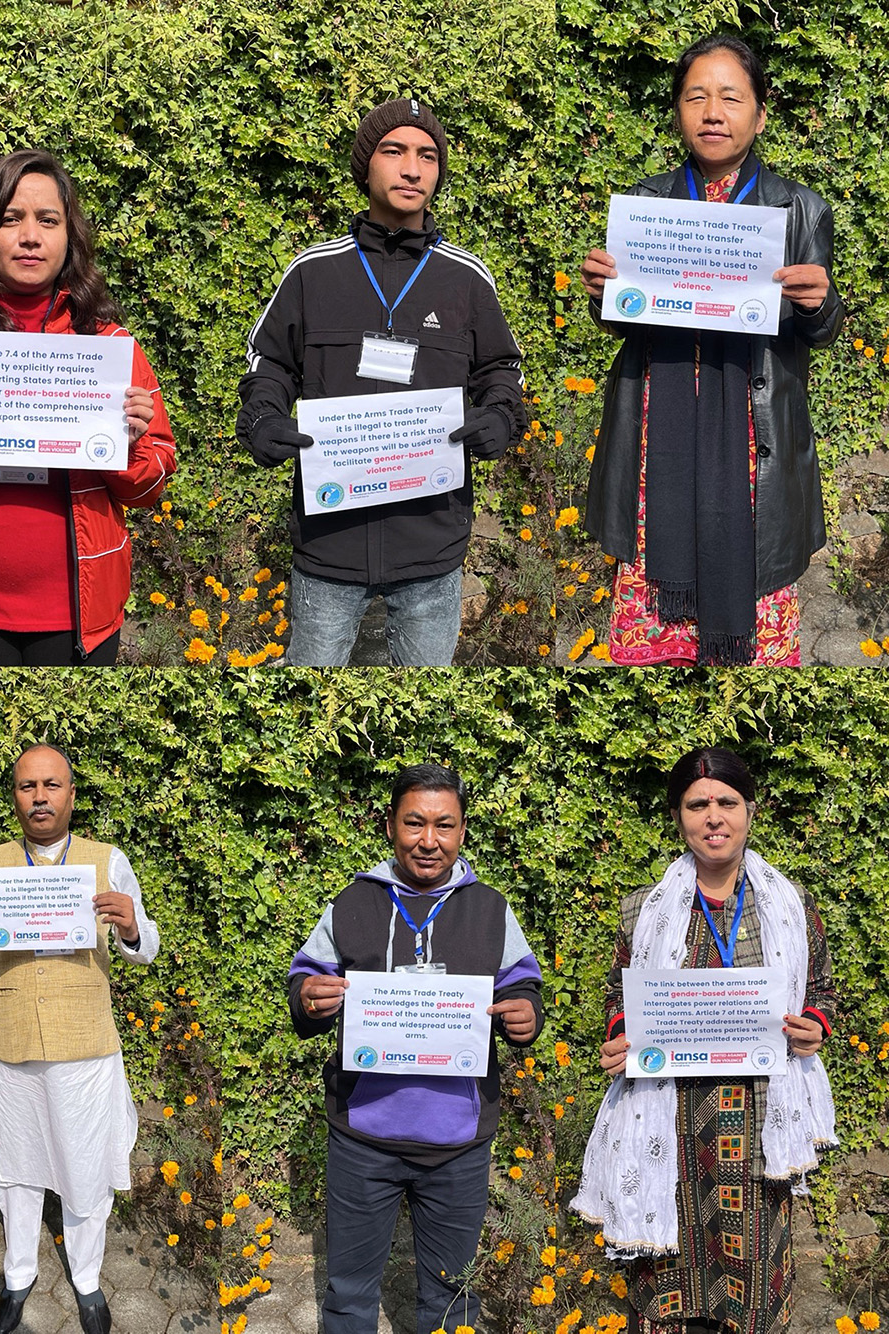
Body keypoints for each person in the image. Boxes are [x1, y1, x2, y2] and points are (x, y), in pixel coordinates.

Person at [580, 36, 843, 666]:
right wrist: (602, 293)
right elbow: (627, 320)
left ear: (759, 112)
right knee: (653, 641)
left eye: (731, 97)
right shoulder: (648, 204)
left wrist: (819, 303)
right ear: (678, 110)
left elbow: (822, 332)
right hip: (659, 444)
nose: (713, 112)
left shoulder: (799, 209)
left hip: (753, 445)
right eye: (697, 96)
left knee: (750, 651)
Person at [237, 98, 527, 666]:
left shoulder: (465, 279)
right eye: (394, 152)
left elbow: (502, 371)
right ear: (366, 165)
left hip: (432, 545)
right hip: (328, 543)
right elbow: (268, 365)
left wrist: (499, 417)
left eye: (427, 156)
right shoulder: (312, 272)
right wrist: (263, 419)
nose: (412, 169)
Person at [571, 747, 837, 1334]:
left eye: (727, 802)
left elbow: (820, 988)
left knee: (750, 1288)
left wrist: (814, 1025)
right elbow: (622, 999)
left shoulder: (789, 907)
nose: (713, 817)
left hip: (755, 1130)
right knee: (666, 1280)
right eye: (698, 805)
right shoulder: (644, 911)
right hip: (669, 1125)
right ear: (678, 816)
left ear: (749, 811)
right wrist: (619, 1039)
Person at [0, 149, 176, 665]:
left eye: (48, 220)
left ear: (70, 237)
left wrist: (129, 447)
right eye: (10, 219)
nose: (30, 236)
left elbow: (153, 486)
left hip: (81, 616)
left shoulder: (110, 349)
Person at [288, 763, 543, 1332]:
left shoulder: (492, 909)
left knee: (453, 1301)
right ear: (390, 827)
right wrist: (309, 996)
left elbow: (521, 985)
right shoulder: (352, 902)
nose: (429, 841)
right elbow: (306, 977)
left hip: (458, 1143)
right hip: (363, 1140)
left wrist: (527, 1016)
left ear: (462, 832)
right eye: (414, 823)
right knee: (349, 1295)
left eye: (444, 826)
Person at [0, 743, 159, 1334]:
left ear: (70, 792)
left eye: (51, 785)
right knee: (16, 1169)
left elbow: (144, 952)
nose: (39, 797)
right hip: (11, 1043)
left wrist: (134, 925)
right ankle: (18, 1277)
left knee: (84, 1165)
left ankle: (87, 1280)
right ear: (15, 795)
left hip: (84, 1045)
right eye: (27, 786)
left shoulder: (106, 861)